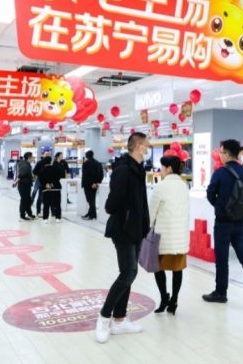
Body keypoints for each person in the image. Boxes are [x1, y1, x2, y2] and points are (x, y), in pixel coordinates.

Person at [96, 132, 151, 343]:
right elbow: (112, 201)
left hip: (136, 229)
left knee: (130, 272)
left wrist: (144, 224)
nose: (148, 148)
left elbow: (141, 201)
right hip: (123, 229)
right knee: (128, 272)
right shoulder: (124, 169)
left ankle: (119, 319)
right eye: (146, 145)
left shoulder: (138, 169)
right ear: (137, 146)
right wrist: (122, 212)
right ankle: (104, 317)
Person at [203, 139, 243, 307]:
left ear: (228, 154)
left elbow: (210, 194)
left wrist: (221, 206)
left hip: (223, 223)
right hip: (241, 222)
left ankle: (221, 293)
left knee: (222, 259)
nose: (220, 155)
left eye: (221, 152)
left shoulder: (220, 173)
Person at [149, 155, 190, 316]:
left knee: (158, 268)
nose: (161, 170)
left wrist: (146, 228)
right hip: (180, 236)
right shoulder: (184, 186)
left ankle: (163, 298)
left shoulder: (161, 186)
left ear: (169, 168)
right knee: (177, 269)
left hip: (163, 236)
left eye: (162, 167)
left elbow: (151, 212)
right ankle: (174, 300)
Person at [39, 155, 63, 223]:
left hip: (46, 189)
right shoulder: (56, 168)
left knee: (46, 204)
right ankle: (58, 218)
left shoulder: (42, 170)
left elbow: (41, 179)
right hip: (56, 188)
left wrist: (46, 184)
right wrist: (52, 183)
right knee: (57, 204)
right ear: (51, 161)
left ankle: (45, 218)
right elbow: (58, 176)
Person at [81, 150, 104, 220]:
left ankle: (92, 215)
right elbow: (101, 174)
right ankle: (90, 213)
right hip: (94, 184)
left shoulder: (85, 163)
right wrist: (96, 182)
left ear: (86, 156)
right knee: (92, 200)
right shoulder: (97, 163)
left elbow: (86, 175)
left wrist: (91, 183)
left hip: (87, 184)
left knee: (90, 200)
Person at [15, 152, 36, 221]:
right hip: (23, 186)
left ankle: (29, 213)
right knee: (24, 200)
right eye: (32, 157)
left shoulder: (26, 164)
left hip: (26, 185)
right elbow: (21, 175)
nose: (33, 158)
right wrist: (16, 182)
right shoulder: (25, 166)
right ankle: (22, 216)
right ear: (29, 158)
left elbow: (25, 174)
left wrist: (31, 177)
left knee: (28, 200)